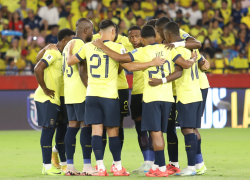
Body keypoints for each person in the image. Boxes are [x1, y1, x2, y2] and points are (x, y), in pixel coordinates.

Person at [92, 24, 199, 177]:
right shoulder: (169, 49)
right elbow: (184, 66)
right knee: (161, 132)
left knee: (155, 134)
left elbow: (119, 58)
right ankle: (159, 165)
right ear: (155, 36)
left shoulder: (143, 51)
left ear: (142, 39)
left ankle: (161, 168)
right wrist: (194, 59)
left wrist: (102, 45)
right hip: (168, 98)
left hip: (151, 98)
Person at [68, 20, 164, 176]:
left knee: (96, 131)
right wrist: (151, 63)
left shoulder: (88, 46)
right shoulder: (117, 48)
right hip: (109, 96)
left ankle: (100, 168)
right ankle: (117, 167)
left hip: (91, 95)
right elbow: (130, 67)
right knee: (113, 131)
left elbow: (70, 61)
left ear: (100, 31)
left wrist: (69, 51)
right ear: (113, 32)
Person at [148, 22, 208, 176]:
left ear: (167, 35)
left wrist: (160, 80)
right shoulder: (191, 48)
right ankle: (198, 164)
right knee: (192, 129)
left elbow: (180, 71)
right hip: (196, 92)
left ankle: (191, 167)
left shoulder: (176, 50)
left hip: (186, 94)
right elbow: (201, 61)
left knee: (187, 129)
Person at [34, 28, 75, 176]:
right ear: (64, 41)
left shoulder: (63, 55)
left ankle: (57, 164)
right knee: (48, 130)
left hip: (58, 98)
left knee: (59, 130)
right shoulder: (53, 53)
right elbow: (38, 68)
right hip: (47, 98)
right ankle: (46, 166)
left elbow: (38, 59)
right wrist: (45, 88)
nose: (73, 44)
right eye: (71, 40)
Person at [62, 18, 96, 176]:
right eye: (92, 30)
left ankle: (69, 166)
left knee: (72, 128)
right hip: (81, 92)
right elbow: (83, 70)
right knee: (86, 128)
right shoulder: (82, 45)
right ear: (85, 30)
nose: (93, 33)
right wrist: (91, 88)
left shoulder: (67, 45)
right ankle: (87, 166)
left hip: (69, 93)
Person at [127, 25, 155, 174]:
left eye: (137, 36)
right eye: (131, 37)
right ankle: (147, 162)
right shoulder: (133, 52)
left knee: (153, 129)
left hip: (151, 93)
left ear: (143, 37)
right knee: (140, 129)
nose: (134, 39)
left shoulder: (154, 49)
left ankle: (157, 162)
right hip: (137, 93)